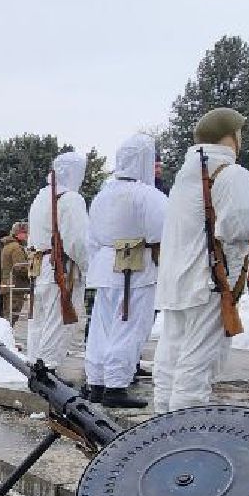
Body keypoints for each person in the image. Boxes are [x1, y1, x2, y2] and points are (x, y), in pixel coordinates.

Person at [154, 108, 249, 414]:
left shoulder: (186, 176)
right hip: (210, 279)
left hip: (178, 281)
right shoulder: (231, 173)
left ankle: (161, 422)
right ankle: (184, 430)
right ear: (230, 137)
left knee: (172, 357)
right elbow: (245, 226)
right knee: (198, 361)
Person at [83, 133, 168, 407]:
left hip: (106, 267)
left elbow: (92, 238)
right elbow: (164, 231)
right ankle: (116, 386)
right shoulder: (148, 195)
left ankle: (96, 381)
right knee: (129, 326)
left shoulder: (101, 196)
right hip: (135, 268)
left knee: (102, 326)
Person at [25, 151, 93, 364]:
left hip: (42, 264)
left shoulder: (40, 197)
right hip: (61, 267)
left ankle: (34, 363)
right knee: (59, 322)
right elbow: (78, 242)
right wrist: (88, 267)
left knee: (40, 320)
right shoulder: (71, 199)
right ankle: (47, 369)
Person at [0, 222, 33, 320]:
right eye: (25, 232)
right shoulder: (16, 247)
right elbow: (20, 268)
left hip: (8, 285)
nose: (27, 235)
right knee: (11, 317)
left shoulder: (8, 245)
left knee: (7, 316)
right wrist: (32, 273)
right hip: (16, 286)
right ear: (18, 233)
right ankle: (4, 335)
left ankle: (4, 334)